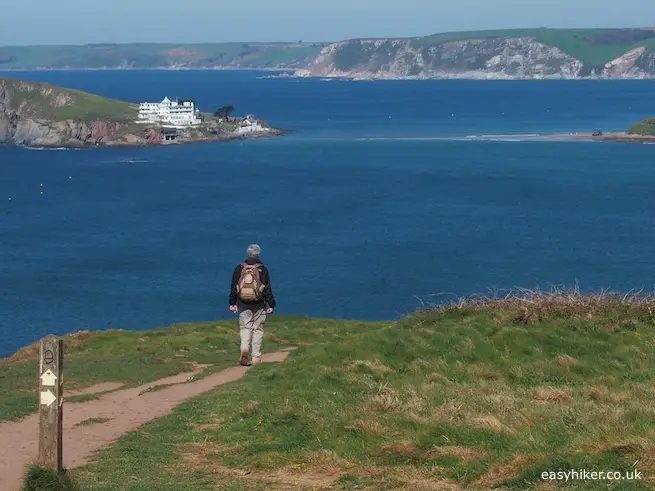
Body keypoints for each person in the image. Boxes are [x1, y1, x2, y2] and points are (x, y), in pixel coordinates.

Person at [229, 244, 276, 366]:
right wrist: (271, 304)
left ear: (247, 254)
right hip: (260, 305)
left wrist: (232, 303)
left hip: (243, 304)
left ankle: (244, 351)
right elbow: (267, 289)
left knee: (245, 328)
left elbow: (234, 287)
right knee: (257, 330)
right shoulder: (263, 269)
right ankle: (256, 358)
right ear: (258, 254)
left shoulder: (239, 268)